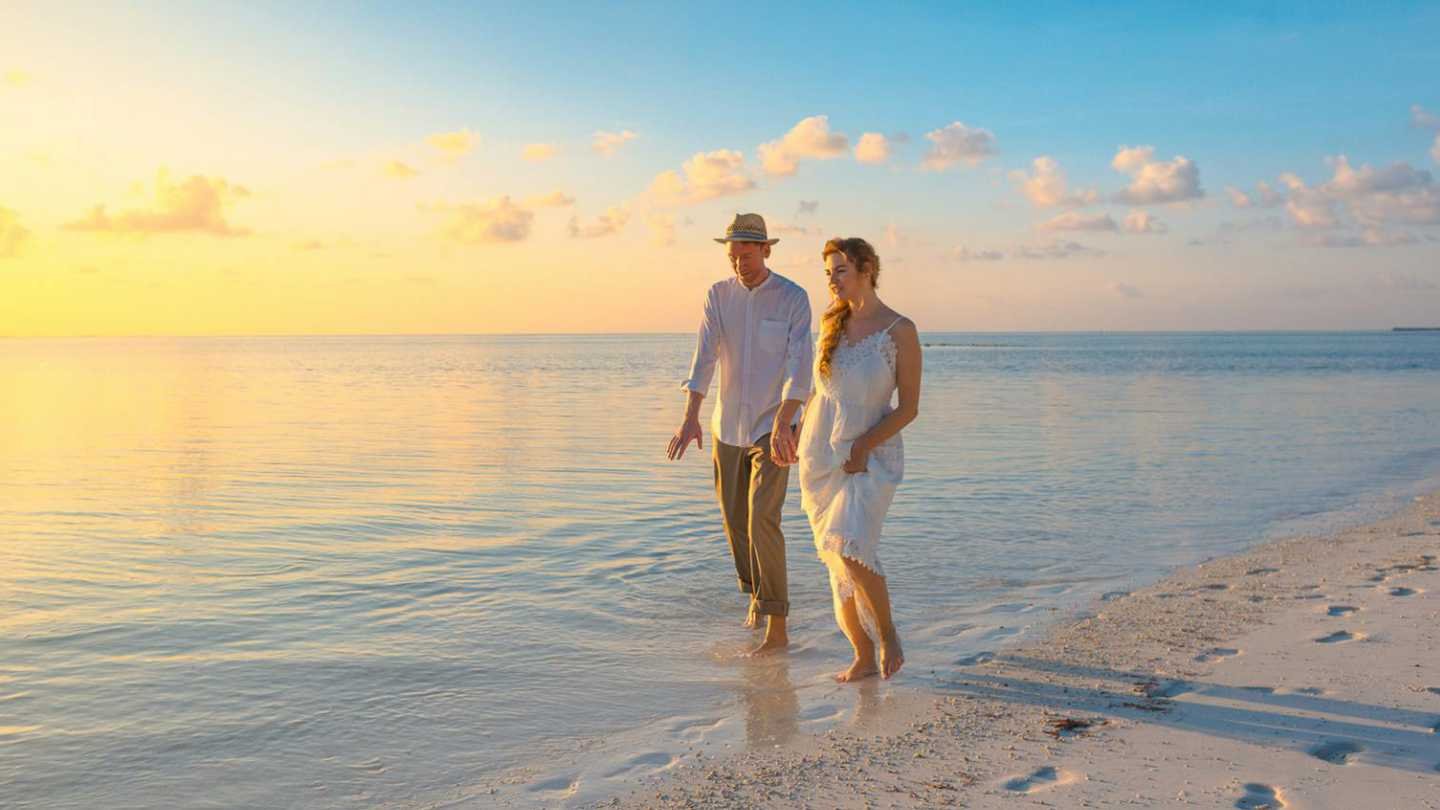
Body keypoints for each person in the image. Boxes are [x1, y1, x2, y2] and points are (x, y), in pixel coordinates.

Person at [667, 213, 814, 656]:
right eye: (732, 256)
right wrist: (690, 415)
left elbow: (800, 363)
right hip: (726, 427)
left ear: (766, 249)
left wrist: (789, 416)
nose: (739, 264)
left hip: (773, 427)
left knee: (761, 519)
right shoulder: (719, 295)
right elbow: (704, 358)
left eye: (746, 255)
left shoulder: (792, 298)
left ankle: (778, 625)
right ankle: (755, 594)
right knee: (735, 523)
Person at [797, 237, 921, 681]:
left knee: (851, 546)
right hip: (820, 454)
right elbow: (818, 391)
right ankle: (862, 654)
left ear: (867, 268)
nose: (831, 280)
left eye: (840, 270)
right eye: (828, 272)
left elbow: (909, 407)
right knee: (834, 558)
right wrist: (788, 428)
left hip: (870, 454)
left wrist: (864, 445)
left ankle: (888, 635)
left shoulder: (899, 331)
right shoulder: (832, 323)